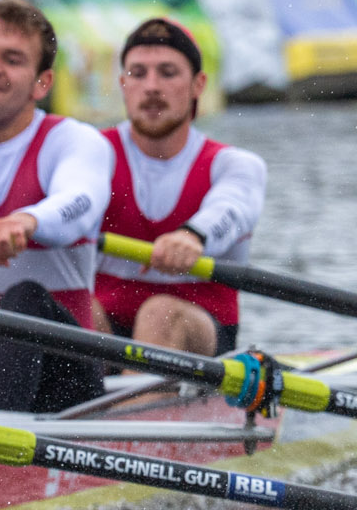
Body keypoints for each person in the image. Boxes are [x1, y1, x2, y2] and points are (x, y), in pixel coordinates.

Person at [0, 0, 113, 413]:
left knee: (26, 298)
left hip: (64, 376)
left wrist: (28, 220)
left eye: (12, 59)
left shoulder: (74, 141)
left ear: (42, 83)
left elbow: (80, 201)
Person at [94, 18, 265, 355]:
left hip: (198, 333)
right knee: (71, 305)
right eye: (138, 74)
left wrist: (193, 235)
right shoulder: (90, 153)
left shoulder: (234, 165)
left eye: (168, 73)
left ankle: (131, 403)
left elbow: (232, 207)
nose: (152, 86)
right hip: (104, 332)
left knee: (160, 312)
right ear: (123, 84)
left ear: (198, 85)